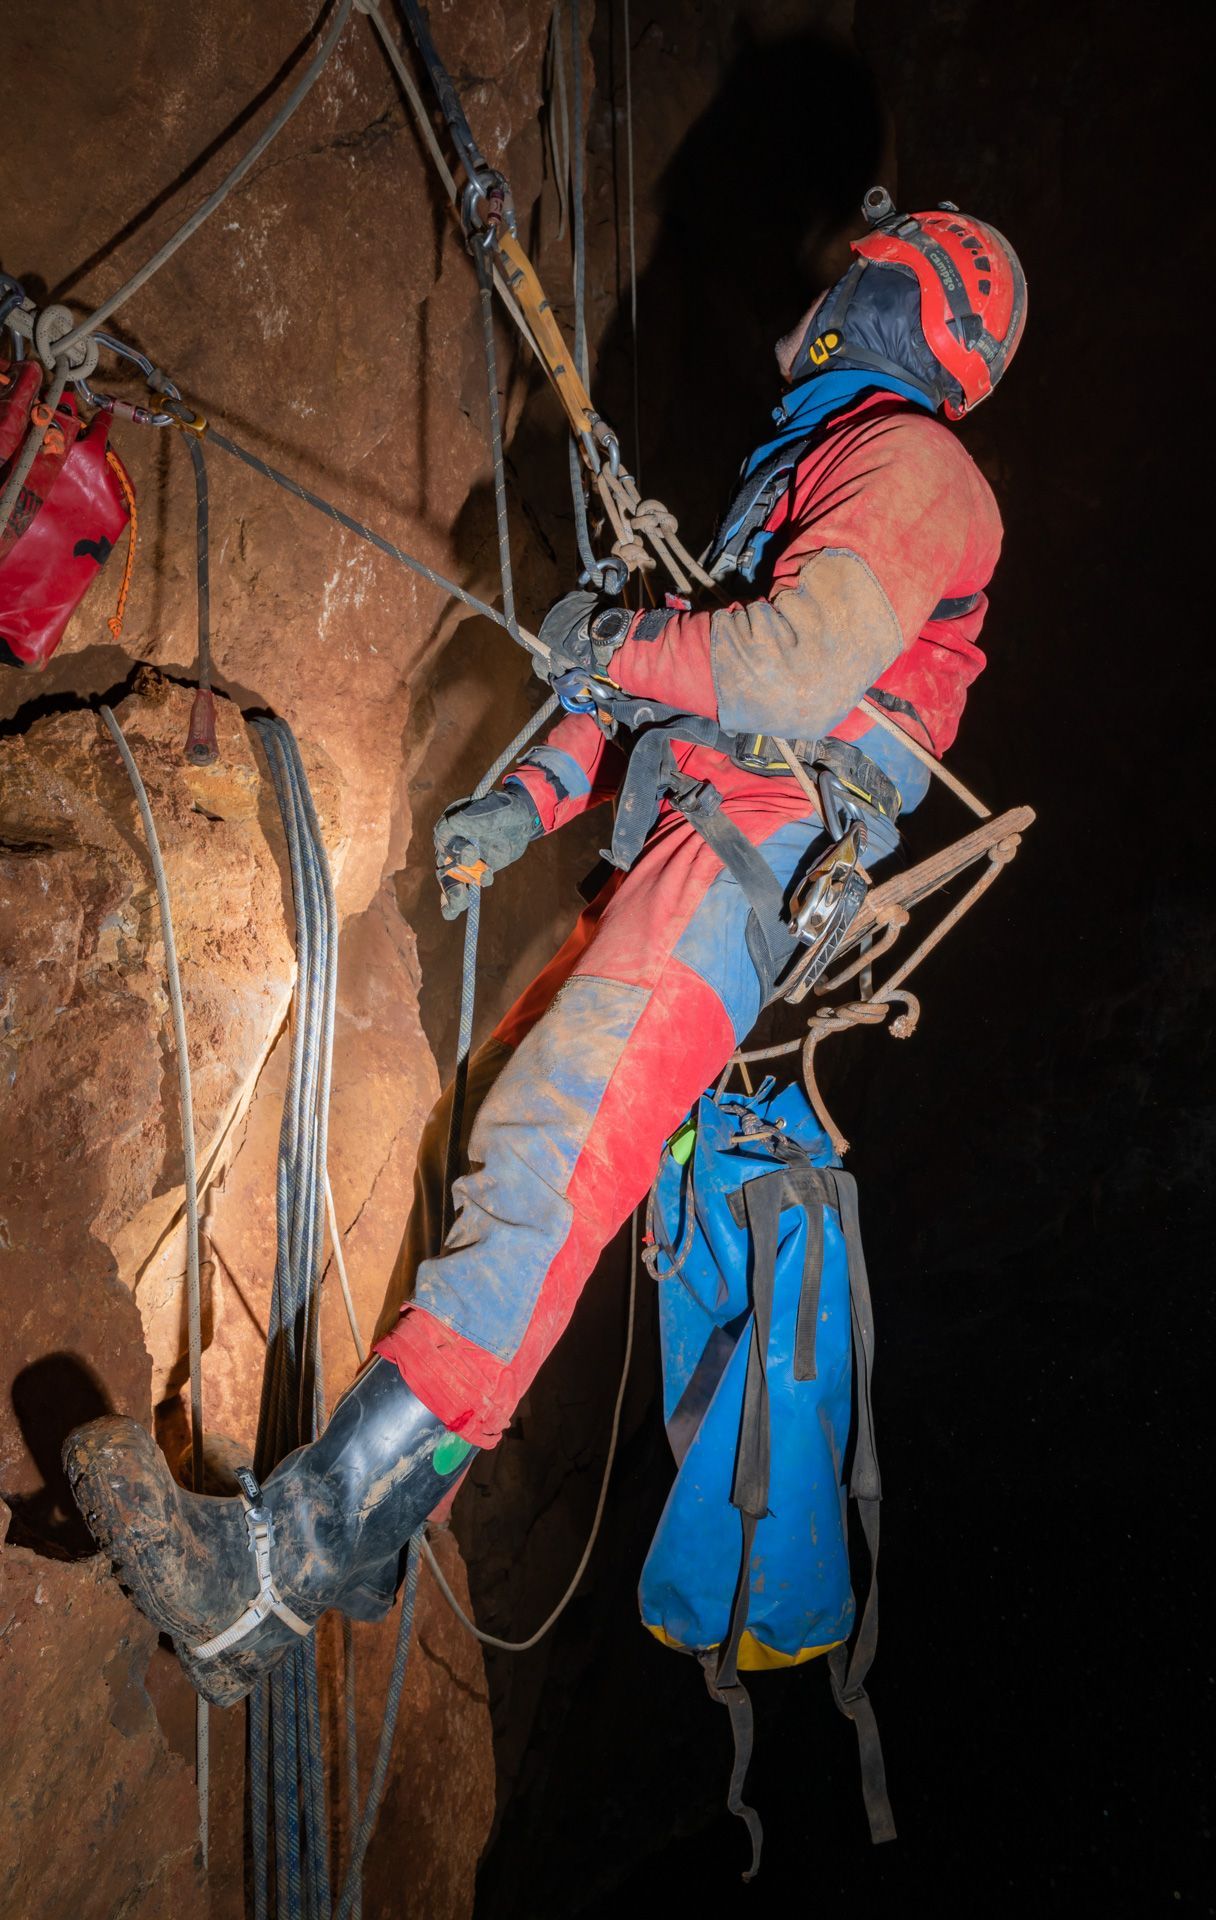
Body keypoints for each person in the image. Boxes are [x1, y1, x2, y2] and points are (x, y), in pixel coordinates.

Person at [66, 190, 1026, 1705]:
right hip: (680, 856)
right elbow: (664, 670)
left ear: (901, 302)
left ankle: (271, 1579)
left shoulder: (917, 468)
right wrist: (522, 799)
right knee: (505, 1138)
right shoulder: (808, 471)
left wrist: (619, 662)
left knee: (540, 1167)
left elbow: (774, 668)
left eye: (858, 267)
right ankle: (380, 1535)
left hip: (737, 869)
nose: (824, 280)